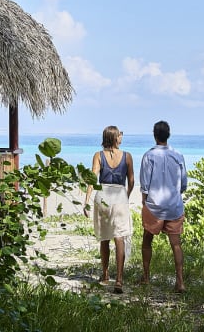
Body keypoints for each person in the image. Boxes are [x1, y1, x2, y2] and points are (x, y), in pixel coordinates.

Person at [138, 119, 188, 292]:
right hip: (174, 206)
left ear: (154, 135)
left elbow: (145, 184)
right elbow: (183, 184)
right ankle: (180, 281)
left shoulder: (149, 156)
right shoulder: (178, 155)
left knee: (147, 241)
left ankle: (146, 277)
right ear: (169, 135)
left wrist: (144, 202)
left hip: (154, 206)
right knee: (176, 244)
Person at [84, 125, 134, 293]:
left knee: (105, 238)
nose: (121, 137)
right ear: (114, 137)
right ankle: (119, 279)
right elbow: (132, 181)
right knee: (119, 237)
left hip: (103, 196)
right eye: (120, 135)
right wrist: (126, 195)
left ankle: (105, 275)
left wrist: (86, 201)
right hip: (119, 196)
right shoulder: (127, 156)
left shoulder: (98, 155)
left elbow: (92, 179)